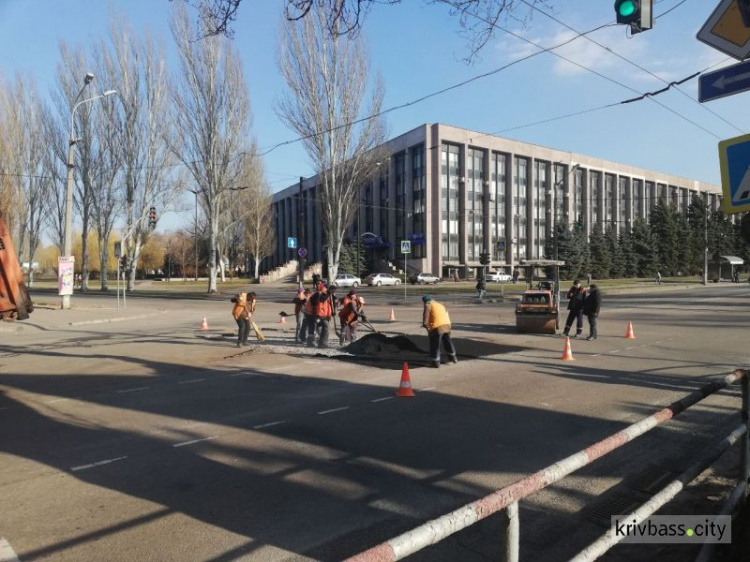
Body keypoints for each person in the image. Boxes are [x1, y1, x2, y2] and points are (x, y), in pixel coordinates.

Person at [422, 295, 458, 368]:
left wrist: (426, 326)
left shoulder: (428, 304)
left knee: (435, 344)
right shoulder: (439, 304)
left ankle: (435, 363)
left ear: (425, 301)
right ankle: (453, 358)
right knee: (447, 341)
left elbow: (426, 317)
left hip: (438, 326)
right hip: (447, 324)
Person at [312, 283, 333, 348]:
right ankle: (323, 343)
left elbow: (329, 306)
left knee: (322, 329)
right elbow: (321, 299)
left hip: (325, 315)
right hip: (320, 315)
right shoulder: (320, 294)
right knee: (325, 328)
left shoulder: (327, 295)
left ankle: (321, 343)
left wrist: (330, 314)